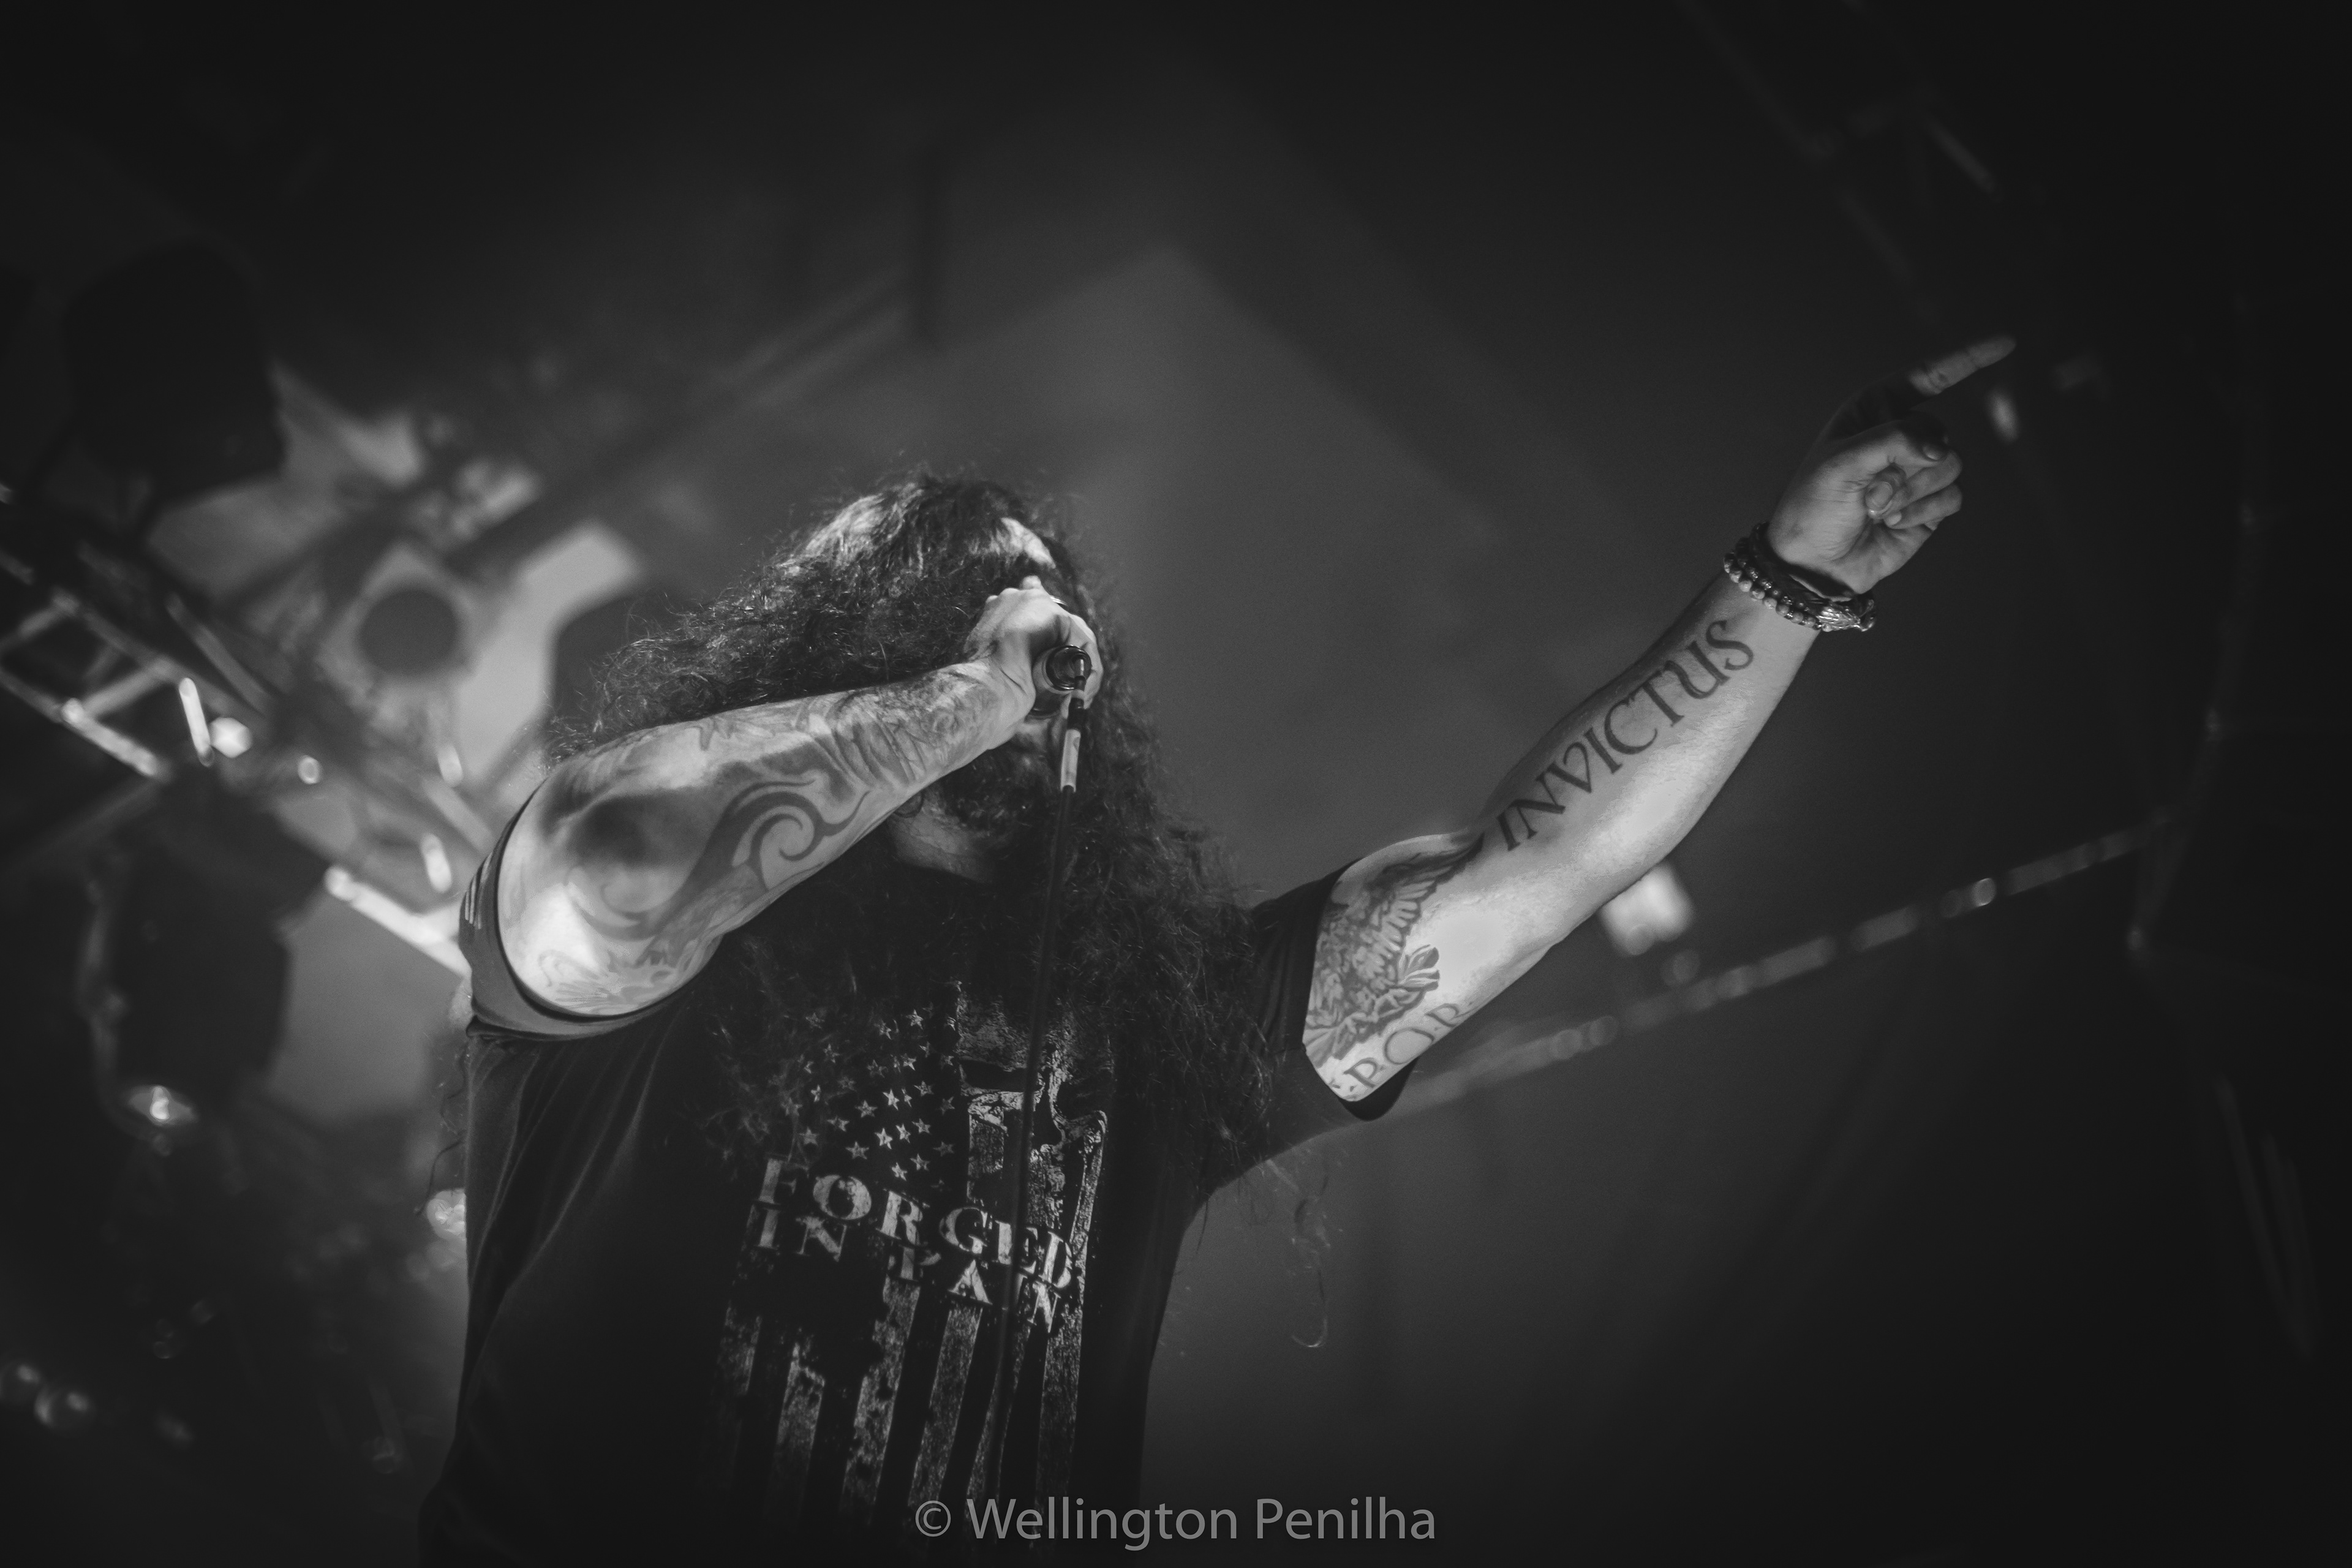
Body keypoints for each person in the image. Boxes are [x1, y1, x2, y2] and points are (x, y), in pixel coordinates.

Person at [418, 341, 2008, 1561]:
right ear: (853, 647)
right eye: (978, 597)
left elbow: (1542, 864)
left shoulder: (1152, 1033)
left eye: (1054, 615)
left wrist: (1788, 579)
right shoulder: (669, 971)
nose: (1049, 635)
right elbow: (614, 855)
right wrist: (971, 695)